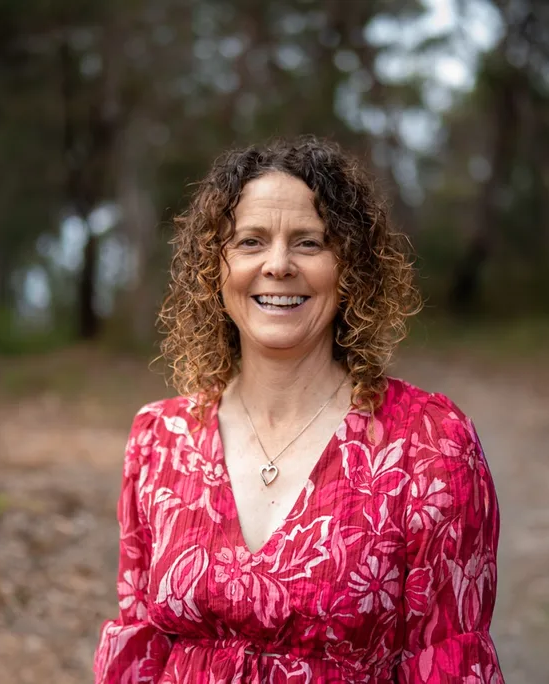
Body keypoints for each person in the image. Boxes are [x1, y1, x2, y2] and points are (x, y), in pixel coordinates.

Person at [93, 136, 504, 683]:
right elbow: (139, 646)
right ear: (214, 269)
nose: (279, 265)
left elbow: (450, 662)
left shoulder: (430, 445)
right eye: (250, 241)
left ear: (351, 267)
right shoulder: (160, 438)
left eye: (309, 243)